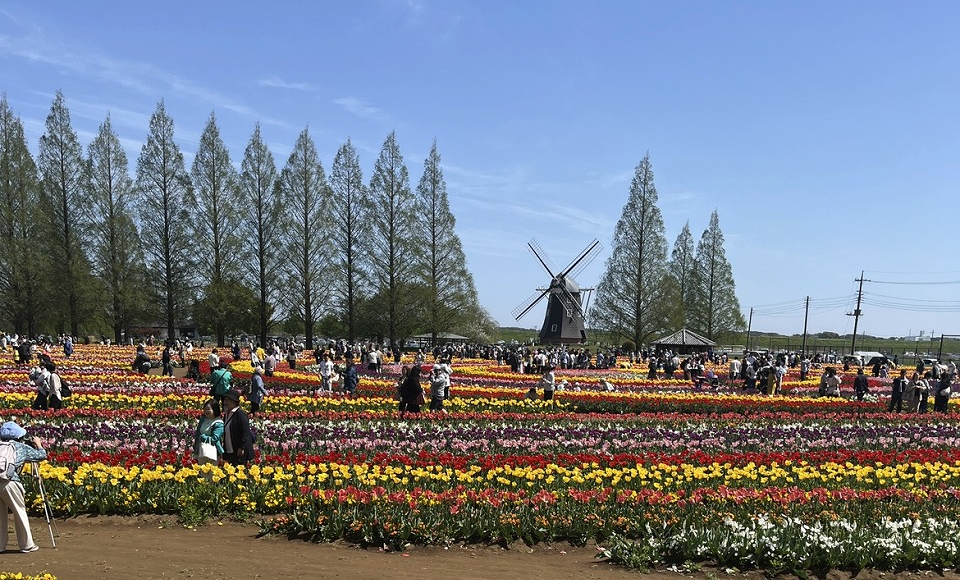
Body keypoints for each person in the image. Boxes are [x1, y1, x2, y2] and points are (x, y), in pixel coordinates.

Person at [0, 421, 47, 553]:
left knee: (0, 515)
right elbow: (41, 456)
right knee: (19, 511)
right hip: (10, 482)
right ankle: (26, 545)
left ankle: (0, 545)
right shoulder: (19, 447)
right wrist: (38, 444)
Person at [221, 389, 255, 466]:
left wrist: (241, 447)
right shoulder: (227, 414)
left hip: (239, 450)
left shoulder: (240, 414)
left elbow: (245, 432)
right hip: (229, 448)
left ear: (235, 401)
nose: (226, 402)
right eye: (225, 399)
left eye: (228, 399)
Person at [192, 399, 224, 465]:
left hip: (212, 451)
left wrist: (204, 438)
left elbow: (215, 438)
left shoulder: (218, 423)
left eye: (208, 409)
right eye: (205, 409)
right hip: (201, 449)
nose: (206, 411)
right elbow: (198, 432)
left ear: (215, 409)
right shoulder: (203, 419)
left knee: (210, 471)